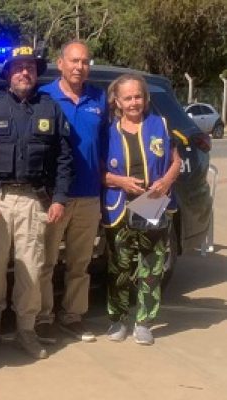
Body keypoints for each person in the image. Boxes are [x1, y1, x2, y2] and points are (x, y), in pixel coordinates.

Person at [0, 45, 73, 360]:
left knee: (31, 266)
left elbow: (64, 159)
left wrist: (59, 199)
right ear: (8, 74)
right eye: (18, 67)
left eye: (29, 66)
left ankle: (26, 330)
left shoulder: (50, 108)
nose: (24, 72)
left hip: (34, 200)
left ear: (36, 72)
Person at [102, 74, 181, 345]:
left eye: (138, 96)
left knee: (151, 267)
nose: (134, 102)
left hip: (154, 205)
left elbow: (176, 161)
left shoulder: (160, 124)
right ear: (117, 101)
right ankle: (118, 319)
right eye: (128, 98)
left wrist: (166, 182)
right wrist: (120, 181)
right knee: (119, 268)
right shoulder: (107, 131)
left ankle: (145, 321)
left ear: (145, 99)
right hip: (119, 208)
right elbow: (98, 172)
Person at [37, 40, 107, 343]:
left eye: (85, 61)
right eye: (74, 61)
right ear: (61, 63)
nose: (80, 67)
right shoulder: (44, 97)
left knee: (80, 262)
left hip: (89, 194)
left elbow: (107, 146)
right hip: (54, 197)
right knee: (45, 261)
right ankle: (42, 317)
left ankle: (73, 316)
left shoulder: (98, 98)